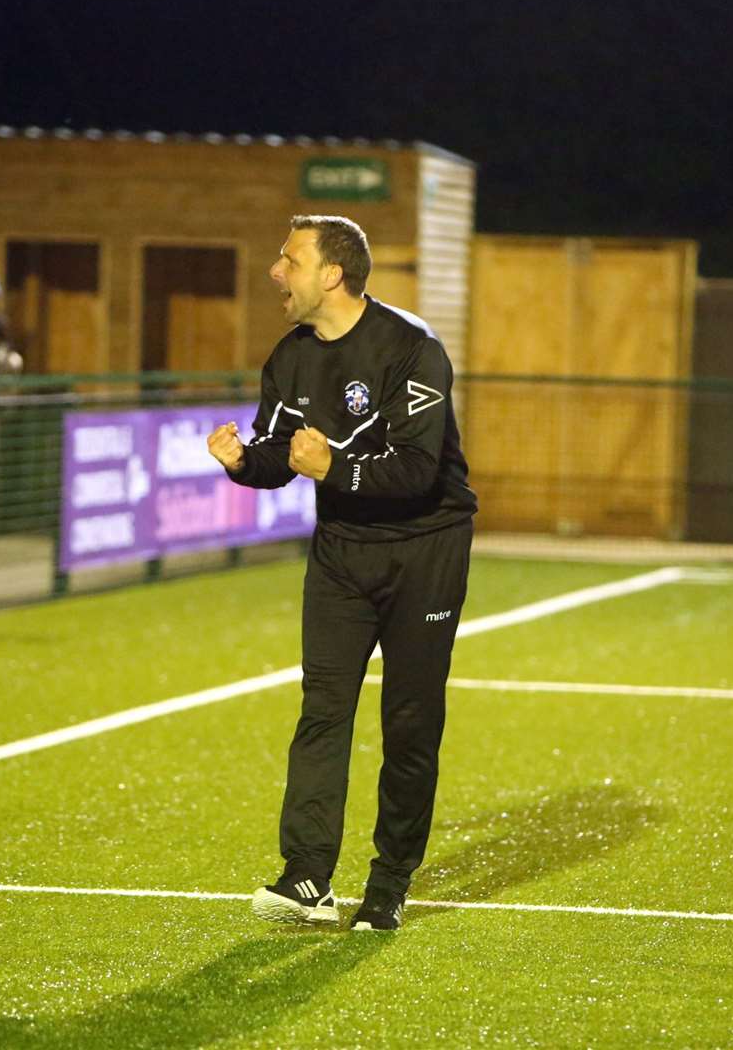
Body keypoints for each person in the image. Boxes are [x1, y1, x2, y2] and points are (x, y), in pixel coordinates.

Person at [206, 214, 477, 931]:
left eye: (288, 259)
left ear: (332, 274)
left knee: (409, 719)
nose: (275, 272)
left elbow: (419, 472)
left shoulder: (413, 349)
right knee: (323, 708)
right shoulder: (290, 356)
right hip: (340, 553)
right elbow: (278, 456)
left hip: (427, 547)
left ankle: (388, 882)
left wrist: (337, 466)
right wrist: (242, 462)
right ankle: (307, 877)